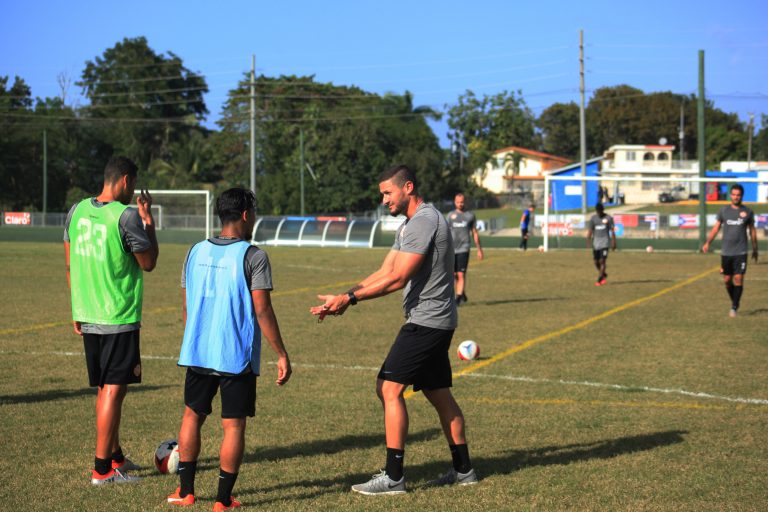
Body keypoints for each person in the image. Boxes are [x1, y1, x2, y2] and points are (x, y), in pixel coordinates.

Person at [310, 165, 477, 495]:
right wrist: (344, 295)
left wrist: (350, 299)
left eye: (388, 192)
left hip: (426, 321)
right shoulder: (411, 224)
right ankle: (464, 471)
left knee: (388, 388)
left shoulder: (425, 222)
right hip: (434, 320)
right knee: (439, 394)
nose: (383, 199)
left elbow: (398, 278)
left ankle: (394, 477)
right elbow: (385, 270)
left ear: (408, 187)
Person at [167, 188, 292, 511]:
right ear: (247, 214)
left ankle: (185, 492)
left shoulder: (195, 251)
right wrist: (280, 353)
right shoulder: (253, 255)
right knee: (233, 425)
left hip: (198, 350)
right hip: (234, 355)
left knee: (192, 416)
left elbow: (186, 306)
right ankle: (222, 501)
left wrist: (195, 337)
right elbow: (262, 310)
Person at [64, 156, 159, 485]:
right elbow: (148, 262)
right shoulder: (127, 216)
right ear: (125, 181)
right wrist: (148, 221)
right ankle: (103, 469)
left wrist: (77, 309)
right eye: (132, 183)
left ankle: (115, 454)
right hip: (117, 313)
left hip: (88, 312)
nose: (132, 190)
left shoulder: (75, 212)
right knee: (113, 392)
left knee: (105, 388)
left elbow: (69, 263)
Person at [702, 184, 759, 317]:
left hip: (741, 251)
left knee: (738, 278)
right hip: (726, 252)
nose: (735, 197)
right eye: (733, 194)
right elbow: (716, 228)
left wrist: (755, 248)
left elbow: (752, 231)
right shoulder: (724, 211)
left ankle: (734, 306)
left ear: (741, 196)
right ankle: (735, 299)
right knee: (727, 279)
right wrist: (708, 242)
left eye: (738, 195)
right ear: (730, 195)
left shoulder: (748, 212)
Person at [447, 193, 483, 305]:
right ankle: (461, 292)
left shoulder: (470, 215)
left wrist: (479, 249)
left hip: (464, 248)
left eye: (462, 202)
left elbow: (474, 232)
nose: (460, 204)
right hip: (452, 249)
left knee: (461, 274)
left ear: (465, 202)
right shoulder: (450, 216)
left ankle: (457, 299)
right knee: (453, 274)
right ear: (454, 202)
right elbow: (445, 232)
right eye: (458, 202)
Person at [586, 203, 616, 286]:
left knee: (602, 260)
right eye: (598, 211)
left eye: (600, 211)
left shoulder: (608, 218)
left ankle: (599, 279)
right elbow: (590, 230)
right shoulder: (593, 219)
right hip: (596, 243)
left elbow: (612, 231)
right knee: (596, 261)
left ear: (603, 210)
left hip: (605, 243)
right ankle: (603, 273)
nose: (599, 213)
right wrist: (588, 239)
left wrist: (614, 242)